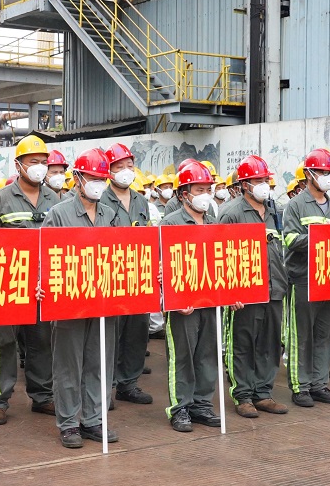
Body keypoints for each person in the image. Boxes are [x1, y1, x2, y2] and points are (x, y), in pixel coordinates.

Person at [41, 148, 119, 448]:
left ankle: (93, 420)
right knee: (68, 365)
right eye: (92, 177)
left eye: (102, 179)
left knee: (99, 362)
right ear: (77, 178)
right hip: (69, 301)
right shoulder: (59, 214)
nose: (98, 184)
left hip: (102, 301)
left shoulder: (109, 214)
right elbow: (44, 257)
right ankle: (69, 423)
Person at [0, 135, 59, 424]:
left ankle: (42, 396)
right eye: (33, 162)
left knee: (42, 341)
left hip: (41, 284)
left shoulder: (54, 198)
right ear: (18, 165)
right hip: (7, 282)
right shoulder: (0, 199)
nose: (39, 167)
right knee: (3, 342)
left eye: (43, 162)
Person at [219, 155, 289, 418]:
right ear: (244, 184)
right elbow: (220, 253)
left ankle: (263, 393)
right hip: (245, 291)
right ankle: (243, 395)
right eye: (257, 180)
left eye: (265, 180)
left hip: (274, 287)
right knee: (243, 342)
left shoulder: (274, 211)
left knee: (270, 343)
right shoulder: (231, 213)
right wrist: (230, 291)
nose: (263, 185)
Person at [160, 161, 228, 432]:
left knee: (207, 354)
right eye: (199, 190)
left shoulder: (213, 222)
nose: (205, 195)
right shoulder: (170, 223)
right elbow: (162, 266)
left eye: (208, 189)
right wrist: (174, 299)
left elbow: (222, 262)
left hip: (209, 301)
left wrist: (234, 292)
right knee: (182, 356)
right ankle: (180, 408)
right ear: (184, 194)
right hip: (183, 305)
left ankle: (201, 404)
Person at [283, 148, 330, 407]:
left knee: (326, 334)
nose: (327, 176)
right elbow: (289, 239)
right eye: (322, 172)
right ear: (309, 174)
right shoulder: (296, 205)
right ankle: (300, 386)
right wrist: (320, 235)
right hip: (304, 278)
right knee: (302, 335)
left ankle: (319, 384)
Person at [101, 143, 154, 407]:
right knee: (111, 333)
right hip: (111, 274)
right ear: (108, 171)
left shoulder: (141, 200)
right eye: (119, 166)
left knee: (137, 330)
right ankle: (106, 387)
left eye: (129, 166)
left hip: (139, 274)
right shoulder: (101, 198)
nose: (125, 171)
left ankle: (128, 384)